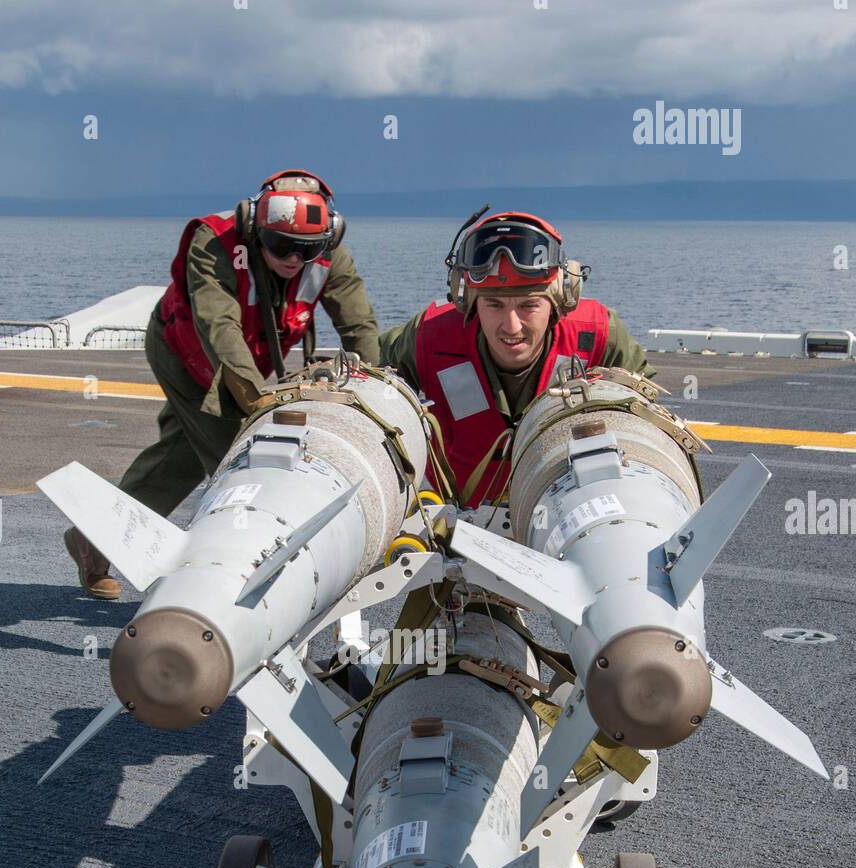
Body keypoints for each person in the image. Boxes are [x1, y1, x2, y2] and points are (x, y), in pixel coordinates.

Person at [65, 169, 381, 598]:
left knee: (179, 458)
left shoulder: (329, 256)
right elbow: (220, 326)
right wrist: (257, 400)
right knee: (241, 461)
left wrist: (371, 394)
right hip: (186, 352)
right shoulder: (212, 242)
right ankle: (231, 587)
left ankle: (93, 536)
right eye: (280, 245)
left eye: (307, 249)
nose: (293, 259)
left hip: (246, 358)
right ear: (255, 228)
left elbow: (358, 324)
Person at [380, 208, 653, 508]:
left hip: (569, 514)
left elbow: (646, 417)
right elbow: (370, 388)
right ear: (469, 302)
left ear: (560, 300)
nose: (512, 326)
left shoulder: (600, 336)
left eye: (528, 305)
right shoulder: (427, 337)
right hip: (459, 523)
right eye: (494, 304)